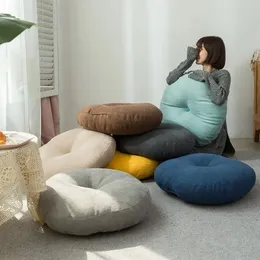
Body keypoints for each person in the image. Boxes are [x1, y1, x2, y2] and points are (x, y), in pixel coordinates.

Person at [166, 36, 235, 156]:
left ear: (213, 52)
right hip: (190, 130)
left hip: (211, 140)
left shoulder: (222, 74)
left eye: (200, 49)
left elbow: (218, 98)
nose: (197, 52)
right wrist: (189, 60)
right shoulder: (194, 75)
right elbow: (170, 80)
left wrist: (206, 76)